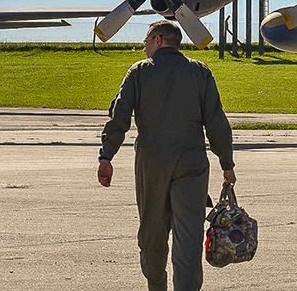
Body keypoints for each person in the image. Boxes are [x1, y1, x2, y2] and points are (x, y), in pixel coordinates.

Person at [97, 19, 236, 291]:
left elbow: (120, 117)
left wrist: (106, 156)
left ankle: (156, 286)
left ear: (158, 41)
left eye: (147, 42)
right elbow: (216, 121)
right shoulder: (200, 72)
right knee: (189, 235)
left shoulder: (138, 72)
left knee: (152, 232)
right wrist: (227, 163)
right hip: (192, 163)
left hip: (153, 163)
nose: (145, 48)